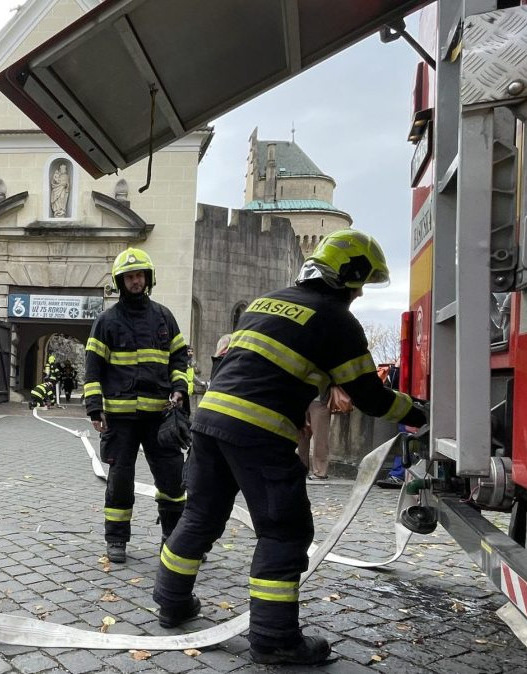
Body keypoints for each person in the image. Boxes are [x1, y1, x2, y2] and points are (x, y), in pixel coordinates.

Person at [152, 230, 427, 664]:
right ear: (348, 277)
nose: (357, 294)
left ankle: (171, 602)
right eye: (360, 284)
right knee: (285, 532)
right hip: (258, 431)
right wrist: (419, 413)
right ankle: (274, 639)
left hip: (209, 421)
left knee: (200, 516)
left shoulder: (267, 301)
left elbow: (248, 364)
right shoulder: (337, 320)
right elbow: (371, 398)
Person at [84, 247, 189, 564]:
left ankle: (174, 540)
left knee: (172, 481)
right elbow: (93, 369)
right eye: (129, 276)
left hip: (160, 416)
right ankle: (116, 540)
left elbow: (179, 358)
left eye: (139, 275)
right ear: (120, 281)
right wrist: (94, 408)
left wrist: (180, 387)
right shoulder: (106, 322)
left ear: (148, 278)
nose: (135, 281)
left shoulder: (164, 317)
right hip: (121, 417)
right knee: (120, 481)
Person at [297, 396, 332, 480]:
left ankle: (320, 472)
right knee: (301, 435)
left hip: (320, 401)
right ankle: (302, 467)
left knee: (320, 438)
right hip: (302, 400)